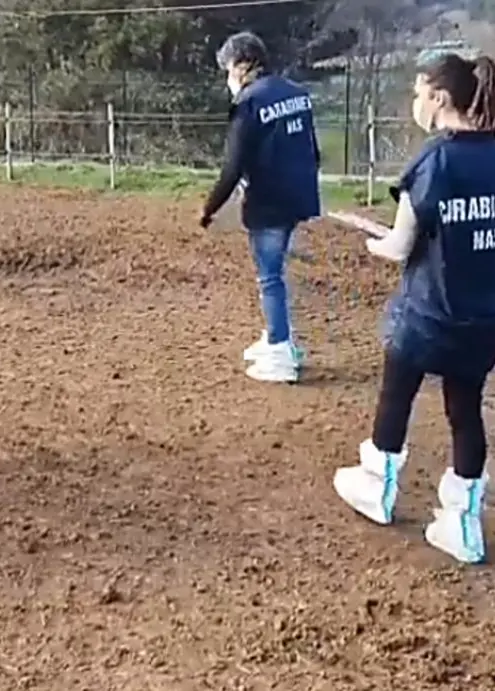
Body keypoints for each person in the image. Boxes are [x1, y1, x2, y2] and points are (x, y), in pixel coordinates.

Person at [333, 52, 495, 564]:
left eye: (419, 92)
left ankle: (377, 487)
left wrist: (377, 244)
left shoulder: (435, 160)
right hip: (484, 319)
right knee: (465, 412)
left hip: (428, 315)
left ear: (440, 98)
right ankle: (462, 523)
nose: (415, 102)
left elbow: (402, 245)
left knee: (395, 396)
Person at [199, 31, 322, 383]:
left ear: (241, 65)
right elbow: (312, 151)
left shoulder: (249, 103)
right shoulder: (297, 94)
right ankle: (275, 337)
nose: (228, 77)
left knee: (269, 277)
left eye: (228, 69)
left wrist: (209, 207)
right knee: (274, 273)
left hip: (268, 201)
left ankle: (282, 351)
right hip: (298, 195)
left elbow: (233, 165)